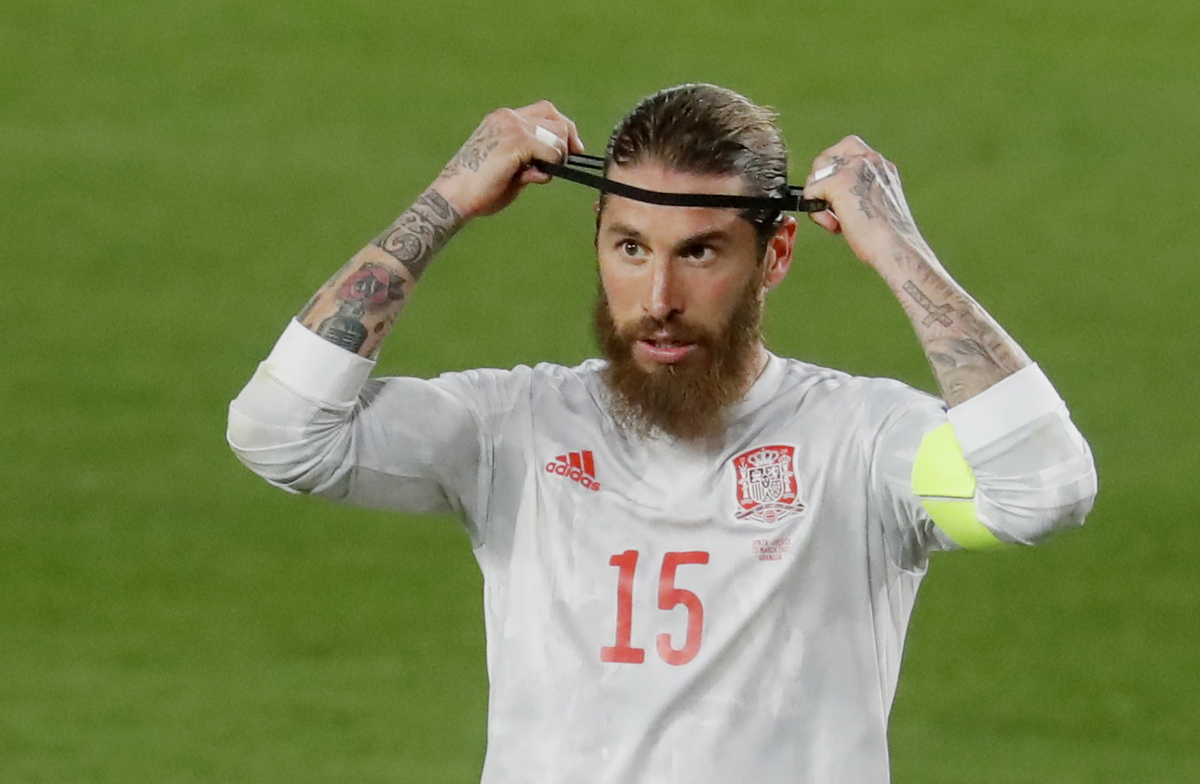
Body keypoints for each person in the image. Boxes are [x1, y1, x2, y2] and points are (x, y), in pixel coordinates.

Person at [227, 84, 1097, 783]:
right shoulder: (516, 429)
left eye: (701, 252)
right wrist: (448, 198)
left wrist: (895, 246)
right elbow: (281, 434)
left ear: (776, 255)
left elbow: (1044, 489)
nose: (659, 301)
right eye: (631, 248)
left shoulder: (860, 442)